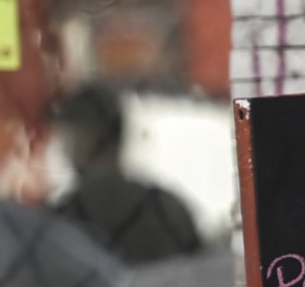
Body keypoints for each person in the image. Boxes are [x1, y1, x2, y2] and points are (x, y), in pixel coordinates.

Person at [51, 86, 199, 263]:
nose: (64, 151)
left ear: (85, 141)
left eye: (67, 139)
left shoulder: (66, 217)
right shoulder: (168, 208)